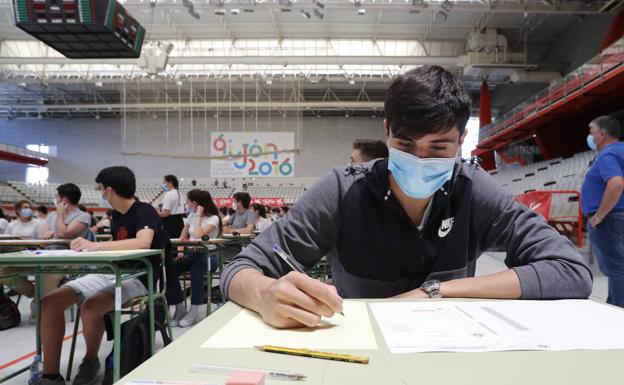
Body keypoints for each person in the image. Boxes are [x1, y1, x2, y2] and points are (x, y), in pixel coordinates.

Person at [220, 65, 592, 329]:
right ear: (386, 132)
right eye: (405, 144)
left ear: (462, 140)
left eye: (439, 147)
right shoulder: (341, 191)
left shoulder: (473, 188)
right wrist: (265, 293)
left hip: (449, 352)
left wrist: (437, 292)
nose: (419, 159)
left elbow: (570, 270)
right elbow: (239, 269)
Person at [36, 166, 169, 385]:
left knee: (91, 306)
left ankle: (90, 361)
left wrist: (95, 247)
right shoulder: (117, 215)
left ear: (108, 190)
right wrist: (90, 248)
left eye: (100, 189)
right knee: (49, 302)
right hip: (110, 272)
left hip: (139, 277)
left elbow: (142, 242)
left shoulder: (145, 210)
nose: (100, 193)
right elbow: (118, 247)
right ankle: (50, 376)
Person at [581, 115, 624, 307]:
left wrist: (599, 215)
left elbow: (615, 184)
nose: (590, 137)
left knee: (616, 269)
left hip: (610, 219)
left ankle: (617, 311)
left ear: (602, 134)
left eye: (591, 132)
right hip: (618, 217)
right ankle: (613, 303)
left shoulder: (608, 154)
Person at [169, 189, 222, 327]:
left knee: (196, 271)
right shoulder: (191, 216)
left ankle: (194, 309)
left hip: (209, 255)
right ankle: (179, 307)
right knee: (170, 268)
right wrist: (180, 249)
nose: (187, 204)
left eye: (188, 201)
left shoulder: (213, 218)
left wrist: (199, 215)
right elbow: (184, 232)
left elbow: (198, 235)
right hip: (192, 254)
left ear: (195, 203)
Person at [158, 174, 185, 238]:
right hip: (179, 220)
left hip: (170, 222)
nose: (163, 184)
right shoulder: (179, 193)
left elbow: (165, 213)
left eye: (164, 182)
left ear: (170, 183)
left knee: (169, 243)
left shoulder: (169, 194)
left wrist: (156, 213)